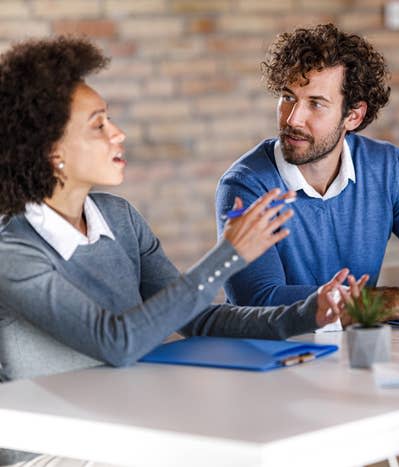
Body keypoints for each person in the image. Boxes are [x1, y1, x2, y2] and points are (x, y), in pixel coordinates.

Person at [0, 37, 365, 465]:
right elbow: (116, 342)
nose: (119, 134)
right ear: (52, 151)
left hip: (131, 430)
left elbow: (197, 316)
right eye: (98, 125)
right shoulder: (14, 251)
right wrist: (228, 254)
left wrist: (309, 313)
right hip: (53, 454)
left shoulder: (118, 218)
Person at [215, 23, 399, 324]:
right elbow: (259, 301)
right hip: (270, 360)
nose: (293, 119)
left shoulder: (386, 167)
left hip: (359, 352)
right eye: (288, 97)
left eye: (316, 104)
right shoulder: (245, 185)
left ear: (353, 115)